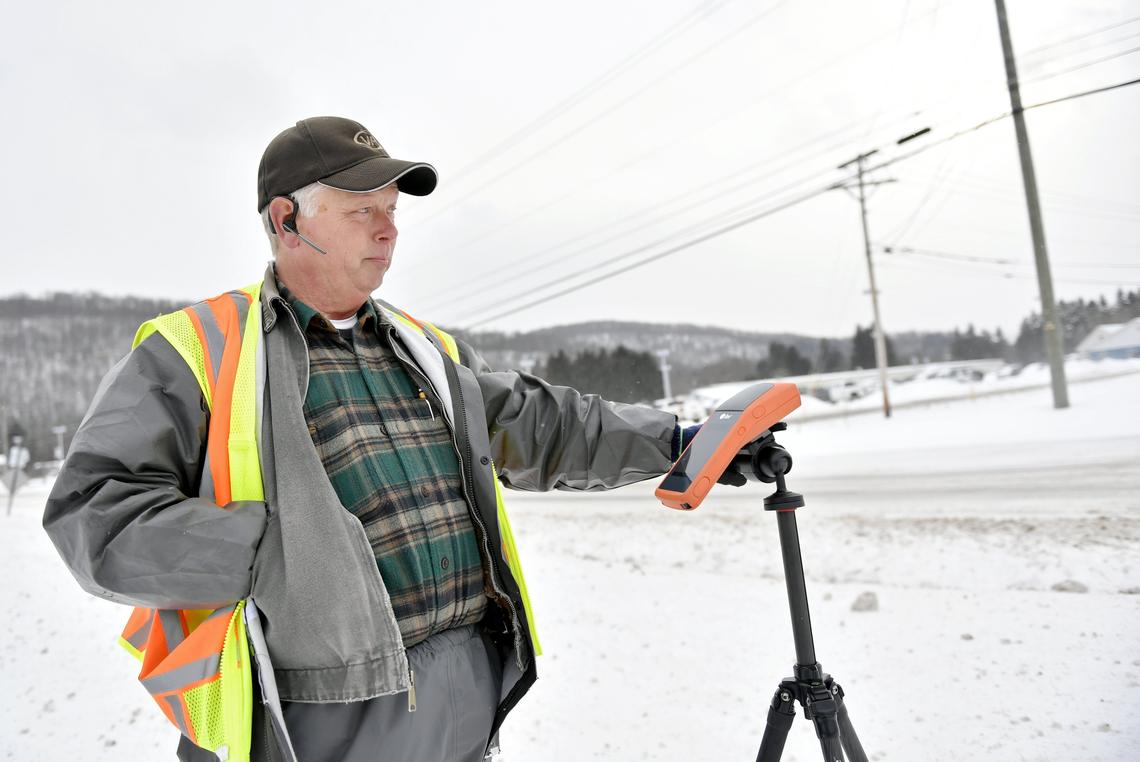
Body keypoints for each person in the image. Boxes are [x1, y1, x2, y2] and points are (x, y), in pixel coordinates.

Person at [43, 116, 702, 762]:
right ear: (286, 220)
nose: (388, 230)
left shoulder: (426, 348)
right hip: (314, 715)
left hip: (466, 696)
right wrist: (274, 553)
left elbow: (546, 426)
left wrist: (685, 442)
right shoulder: (198, 351)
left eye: (391, 210)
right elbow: (94, 511)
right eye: (362, 210)